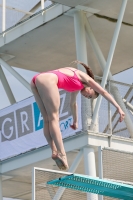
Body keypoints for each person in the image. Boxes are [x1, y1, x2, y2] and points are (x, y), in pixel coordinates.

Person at [31, 61, 125, 170]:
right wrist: (118, 107)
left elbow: (73, 104)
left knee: (47, 119)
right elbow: (104, 92)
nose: (87, 97)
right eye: (90, 96)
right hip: (49, 80)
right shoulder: (86, 79)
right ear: (91, 88)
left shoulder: (76, 86)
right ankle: (62, 154)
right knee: (53, 118)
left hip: (36, 80)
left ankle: (54, 151)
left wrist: (75, 121)